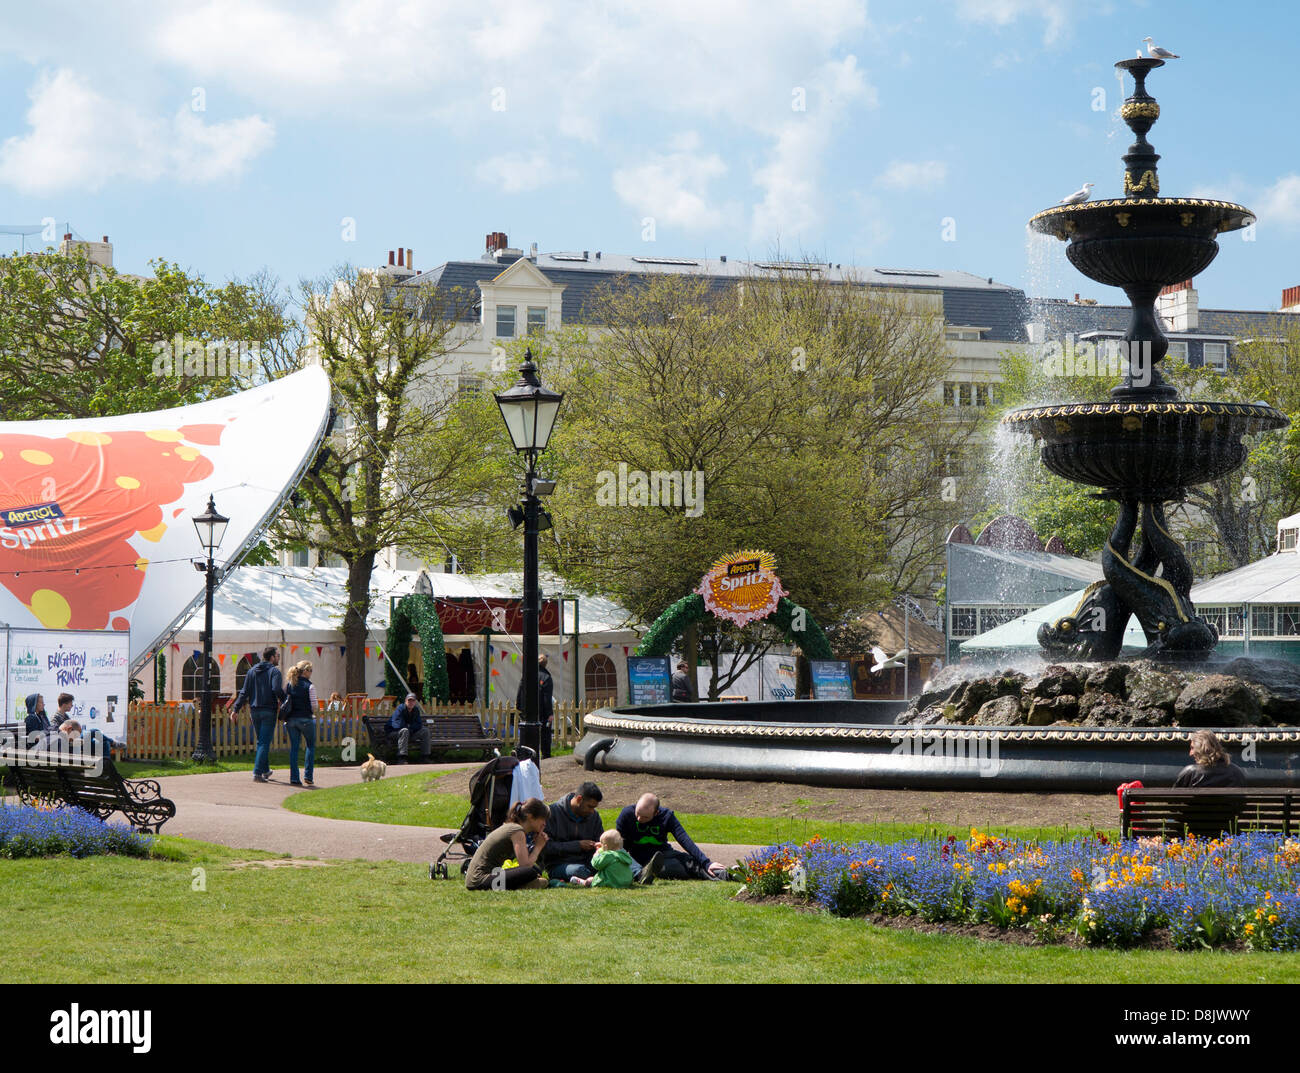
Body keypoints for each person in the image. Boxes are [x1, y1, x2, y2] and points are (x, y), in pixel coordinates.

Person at [617, 792, 729, 881]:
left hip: (661, 856)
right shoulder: (626, 814)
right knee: (620, 855)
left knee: (690, 862)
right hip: (637, 858)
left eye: (645, 817)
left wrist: (706, 862)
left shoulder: (666, 816)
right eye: (637, 814)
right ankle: (641, 874)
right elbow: (619, 845)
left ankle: (725, 875)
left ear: (656, 813)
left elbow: (684, 839)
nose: (639, 819)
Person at [464, 798, 550, 890]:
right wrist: (538, 846)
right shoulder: (517, 831)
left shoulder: (513, 828)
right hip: (479, 880)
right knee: (530, 872)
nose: (544, 824)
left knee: (534, 870)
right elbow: (525, 865)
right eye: (543, 819)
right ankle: (523, 886)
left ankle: (526, 884)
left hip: (478, 878)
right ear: (530, 817)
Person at [227, 646, 284, 783]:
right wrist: (285, 699)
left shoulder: (252, 671)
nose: (278, 658)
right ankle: (257, 773)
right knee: (264, 742)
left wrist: (236, 709)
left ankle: (265, 770)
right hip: (268, 710)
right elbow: (276, 688)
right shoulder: (274, 671)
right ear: (271, 657)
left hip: (254, 711)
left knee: (261, 741)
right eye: (277, 656)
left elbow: (244, 692)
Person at [543, 781, 605, 881]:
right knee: (580, 871)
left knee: (618, 859)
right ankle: (600, 876)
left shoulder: (594, 817)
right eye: (590, 806)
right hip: (559, 864)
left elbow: (601, 840)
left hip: (589, 861)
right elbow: (547, 847)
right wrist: (578, 845)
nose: (592, 811)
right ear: (579, 799)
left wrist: (599, 846)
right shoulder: (552, 813)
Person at [284, 660, 318, 788]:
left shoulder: (290, 684)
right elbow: (314, 704)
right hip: (305, 719)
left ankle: (294, 778)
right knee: (310, 746)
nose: (311, 673)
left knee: (294, 748)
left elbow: (284, 700)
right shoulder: (310, 686)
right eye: (310, 671)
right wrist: (312, 712)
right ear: (305, 671)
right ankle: (308, 776)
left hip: (291, 719)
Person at [1173, 730, 1247, 788]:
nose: (1190, 753)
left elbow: (1173, 800)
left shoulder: (1191, 772)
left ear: (1202, 749)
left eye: (1192, 748)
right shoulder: (1236, 772)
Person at [515, 653, 555, 759]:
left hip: (527, 709)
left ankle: (523, 753)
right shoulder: (546, 677)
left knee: (526, 732)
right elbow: (547, 698)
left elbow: (520, 691)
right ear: (545, 664)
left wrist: (519, 706)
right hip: (541, 710)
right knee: (545, 733)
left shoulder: (527, 674)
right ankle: (545, 755)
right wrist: (550, 714)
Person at [569, 829, 639, 888]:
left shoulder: (608, 855)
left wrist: (597, 854)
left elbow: (596, 865)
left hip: (611, 882)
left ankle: (582, 882)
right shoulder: (624, 854)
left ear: (605, 846)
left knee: (591, 880)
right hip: (626, 882)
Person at [388, 693, 431, 763]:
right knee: (404, 730)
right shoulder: (400, 709)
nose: (411, 702)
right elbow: (397, 724)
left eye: (413, 701)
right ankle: (402, 758)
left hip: (409, 732)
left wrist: (410, 728)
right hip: (394, 733)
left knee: (425, 731)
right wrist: (409, 727)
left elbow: (419, 724)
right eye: (409, 700)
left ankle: (425, 757)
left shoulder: (416, 710)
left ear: (415, 702)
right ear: (405, 701)